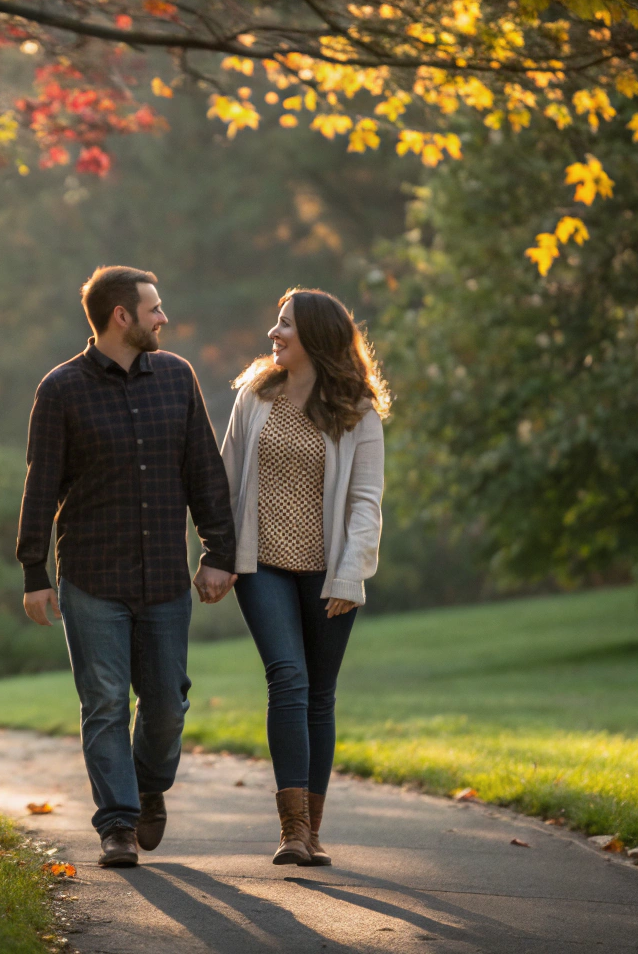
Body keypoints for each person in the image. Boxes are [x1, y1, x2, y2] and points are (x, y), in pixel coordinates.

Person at [18, 265, 238, 869]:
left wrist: (219, 553)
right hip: (92, 578)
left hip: (165, 575)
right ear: (122, 316)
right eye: (154, 308)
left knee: (167, 704)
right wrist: (34, 571)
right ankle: (117, 822)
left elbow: (203, 470)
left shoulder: (177, 376)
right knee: (106, 702)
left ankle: (147, 786)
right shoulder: (60, 389)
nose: (163, 317)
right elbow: (41, 485)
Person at [219, 288, 389, 866]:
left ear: (315, 337)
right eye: (276, 322)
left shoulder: (358, 411)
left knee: (320, 694)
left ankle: (313, 832)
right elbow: (226, 481)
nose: (274, 333)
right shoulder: (254, 396)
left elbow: (365, 502)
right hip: (261, 564)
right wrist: (217, 553)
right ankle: (292, 832)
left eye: (285, 324)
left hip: (329, 575)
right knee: (288, 678)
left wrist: (350, 575)